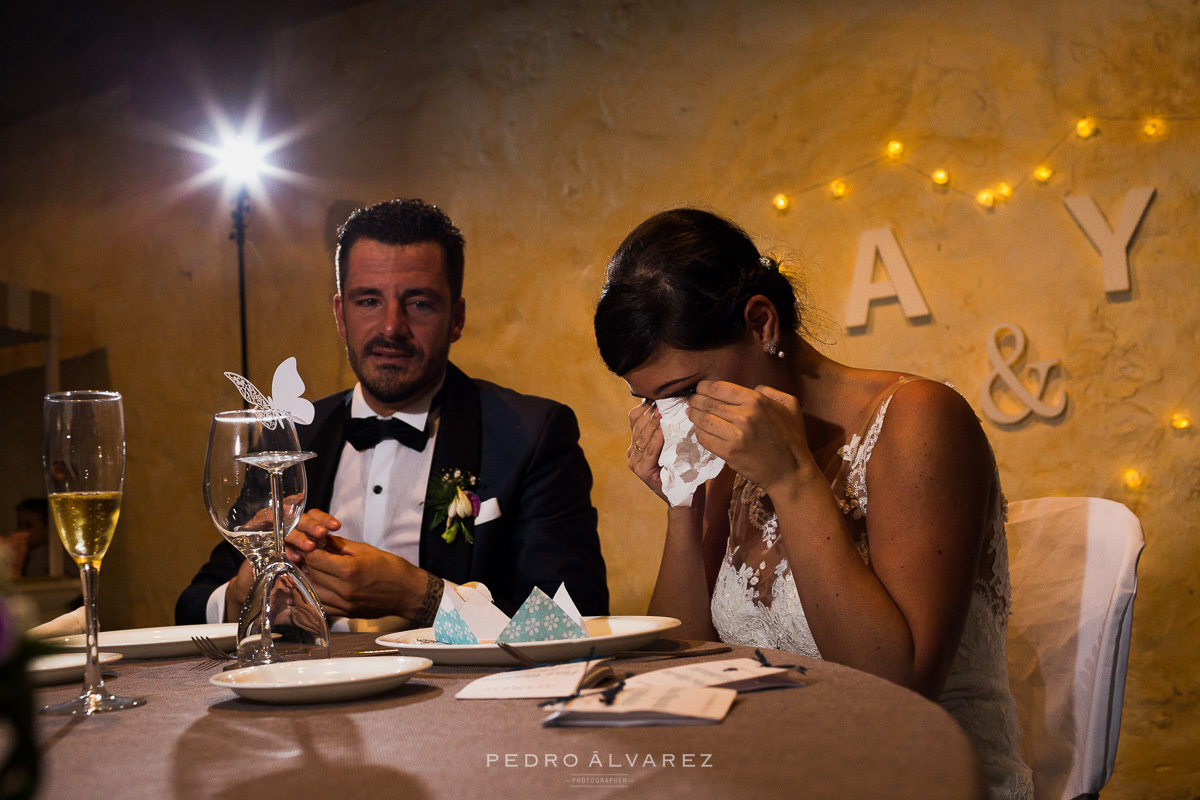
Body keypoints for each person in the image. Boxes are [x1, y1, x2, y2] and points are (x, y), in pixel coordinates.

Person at [593, 208, 1031, 800]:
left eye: (685, 391)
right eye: (652, 403)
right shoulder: (731, 458)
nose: (677, 419)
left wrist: (793, 479)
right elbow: (682, 663)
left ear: (761, 323)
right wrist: (681, 501)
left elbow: (896, 691)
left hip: (924, 777)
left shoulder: (918, 420)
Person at [177, 199, 608, 627]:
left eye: (419, 303)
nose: (391, 327)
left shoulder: (531, 436)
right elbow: (194, 605)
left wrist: (422, 596)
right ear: (340, 315)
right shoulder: (290, 438)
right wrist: (243, 593)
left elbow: (573, 622)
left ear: (456, 318)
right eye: (368, 301)